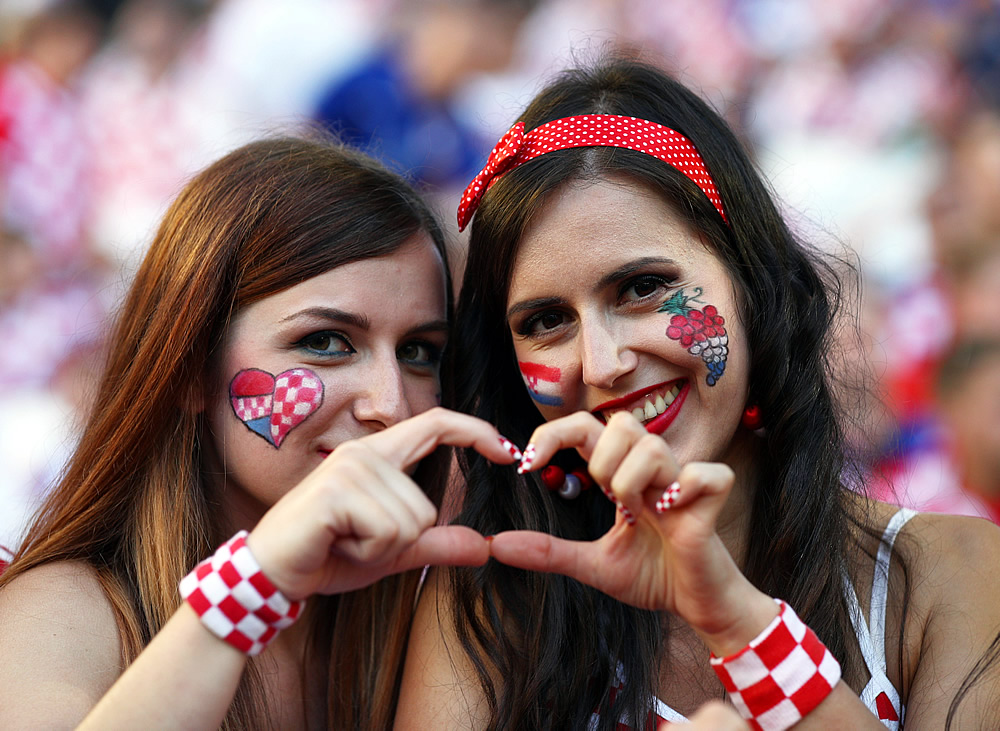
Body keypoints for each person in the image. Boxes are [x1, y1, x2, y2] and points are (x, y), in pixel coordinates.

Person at [396, 56, 1000, 729]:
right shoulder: (488, 606)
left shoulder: (954, 572)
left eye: (642, 286)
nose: (601, 363)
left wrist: (737, 621)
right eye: (545, 321)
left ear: (750, 279)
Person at [0, 135, 518, 729]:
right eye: (325, 342)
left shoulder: (436, 614)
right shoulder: (66, 611)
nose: (391, 404)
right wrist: (248, 590)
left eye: (420, 352)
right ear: (189, 366)